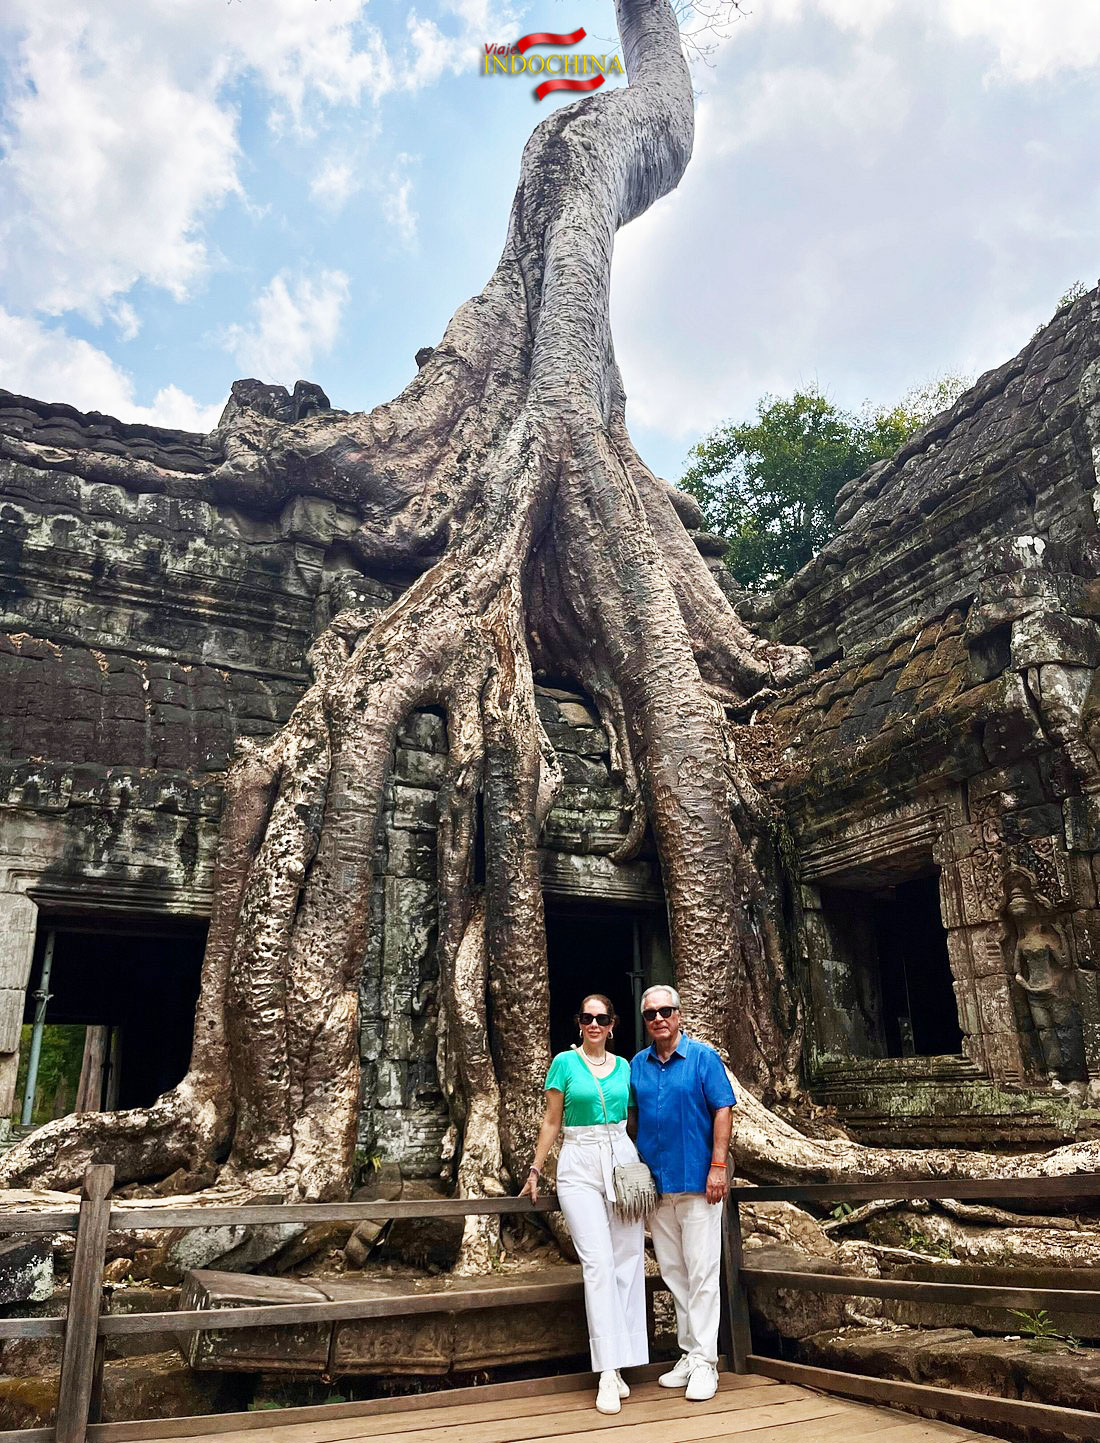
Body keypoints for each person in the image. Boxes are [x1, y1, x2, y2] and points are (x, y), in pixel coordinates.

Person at [521, 994, 649, 1415]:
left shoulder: (625, 1066)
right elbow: (551, 1121)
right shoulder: (564, 1063)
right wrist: (536, 1169)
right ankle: (607, 1371)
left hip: (621, 1158)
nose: (594, 1024)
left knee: (629, 1259)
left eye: (602, 1018)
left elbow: (634, 1120)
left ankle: (624, 1359)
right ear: (579, 1023)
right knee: (597, 1263)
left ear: (612, 1025)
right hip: (578, 1161)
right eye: (587, 1017)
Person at [629, 984, 735, 1402]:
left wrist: (718, 1167)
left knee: (702, 1272)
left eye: (666, 1011)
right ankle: (690, 1354)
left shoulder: (703, 1058)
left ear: (679, 1015)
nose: (658, 1018)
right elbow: (632, 1120)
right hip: (657, 1187)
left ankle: (707, 1362)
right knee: (675, 1273)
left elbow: (723, 1110)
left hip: (698, 1183)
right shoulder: (637, 1065)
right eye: (650, 1013)